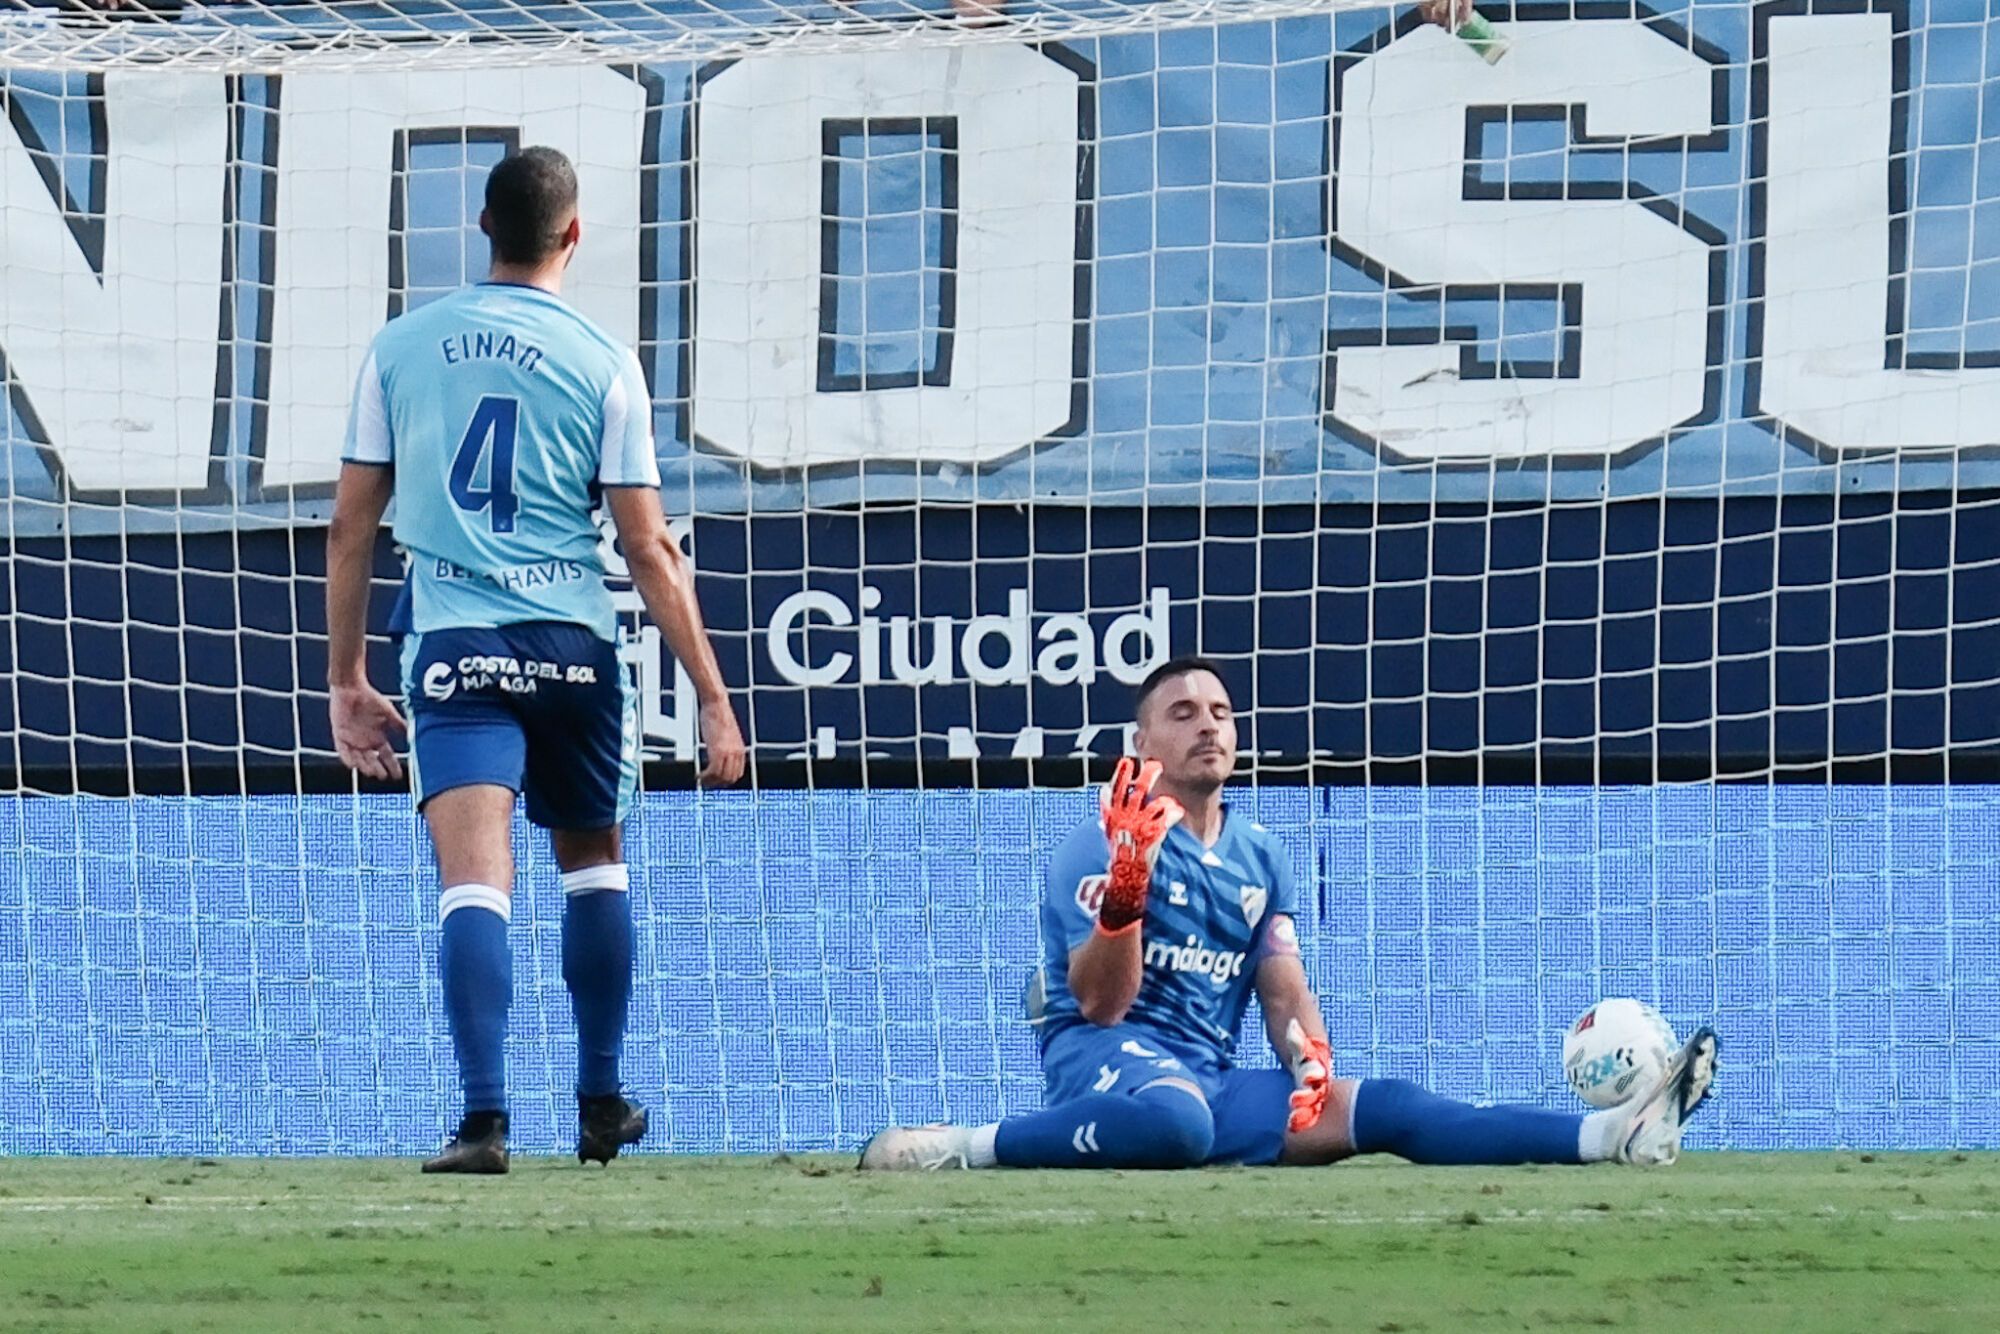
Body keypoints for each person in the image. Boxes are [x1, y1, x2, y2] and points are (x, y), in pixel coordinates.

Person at [861, 657, 1716, 1172]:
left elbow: (1281, 987)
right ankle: (965, 1145)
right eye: (1183, 713)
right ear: (1141, 745)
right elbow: (1098, 1006)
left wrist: (1309, 1059)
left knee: (1386, 1107)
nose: (1209, 727)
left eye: (1222, 713)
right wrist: (1130, 885)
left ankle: (1609, 1135)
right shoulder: (1099, 844)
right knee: (1174, 1120)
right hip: (1107, 1063)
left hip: (1210, 1080)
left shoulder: (1262, 854)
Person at [324, 146, 745, 1175]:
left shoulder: (400, 348)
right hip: (571, 645)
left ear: (481, 227)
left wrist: (343, 678)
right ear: (573, 232)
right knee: (593, 863)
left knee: (475, 884)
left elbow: (349, 524)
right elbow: (649, 548)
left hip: (455, 641)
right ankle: (600, 1100)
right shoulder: (603, 360)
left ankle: (482, 1122)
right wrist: (713, 696)